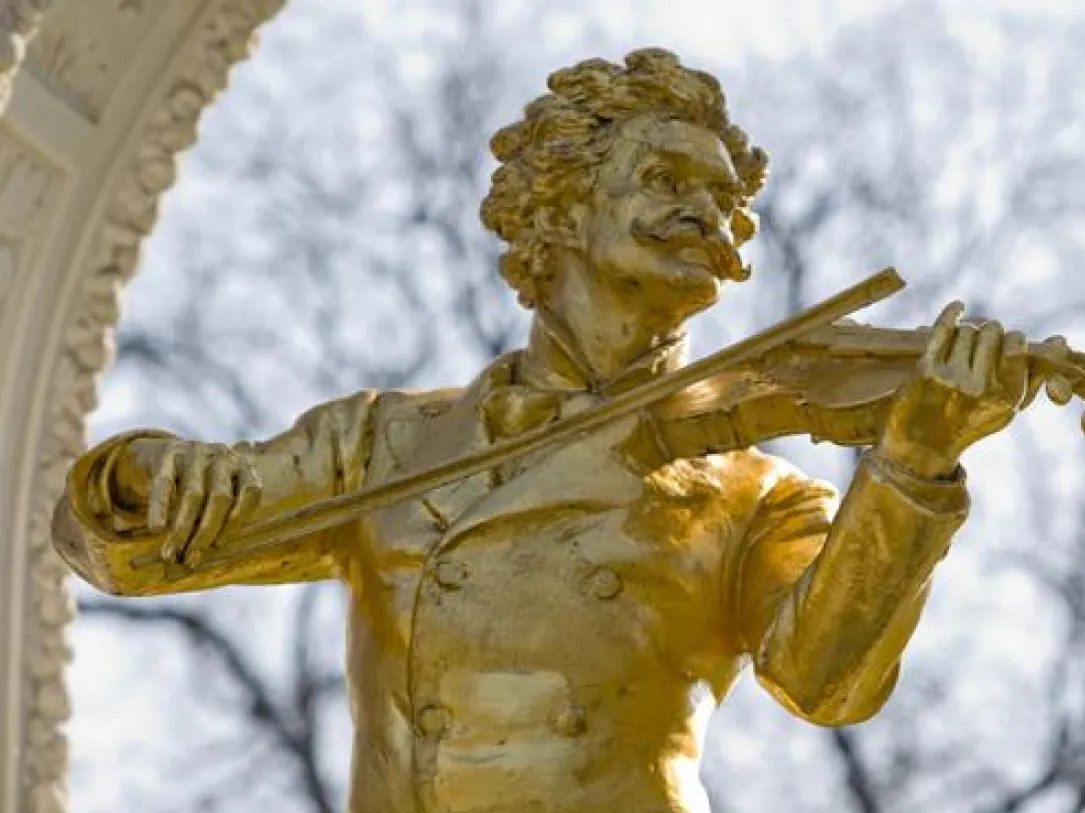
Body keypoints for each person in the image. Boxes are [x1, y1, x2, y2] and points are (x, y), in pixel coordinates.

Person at [53, 48, 1030, 813]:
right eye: (667, 179)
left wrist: (912, 463)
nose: (710, 216)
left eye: (729, 202)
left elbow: (827, 682)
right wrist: (143, 480)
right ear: (560, 203)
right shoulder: (383, 443)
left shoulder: (754, 493)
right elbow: (138, 554)